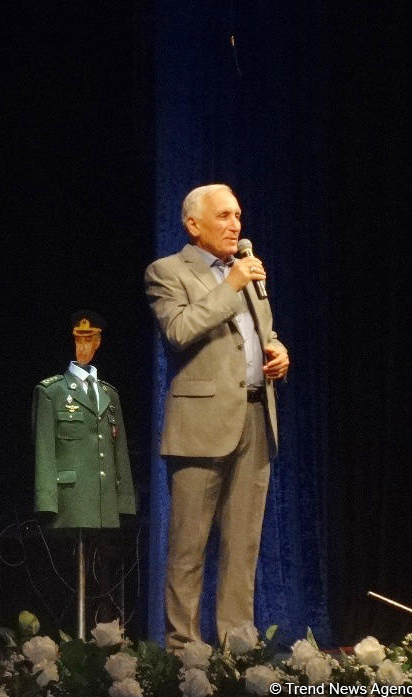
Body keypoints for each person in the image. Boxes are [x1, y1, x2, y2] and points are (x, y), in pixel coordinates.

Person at [144, 184, 289, 651]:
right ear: (194, 225)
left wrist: (278, 351)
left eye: (238, 216)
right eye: (224, 216)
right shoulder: (167, 271)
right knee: (189, 546)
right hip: (200, 424)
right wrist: (231, 285)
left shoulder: (246, 272)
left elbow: (263, 332)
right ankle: (183, 650)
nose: (235, 225)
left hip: (256, 417)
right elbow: (179, 330)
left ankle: (237, 648)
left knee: (243, 546)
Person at [33, 310, 137, 528]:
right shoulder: (51, 392)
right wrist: (46, 502)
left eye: (88, 340)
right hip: (70, 502)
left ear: (98, 343)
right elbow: (45, 453)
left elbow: (120, 453)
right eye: (78, 340)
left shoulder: (109, 394)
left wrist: (125, 500)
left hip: (106, 502)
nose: (82, 347)